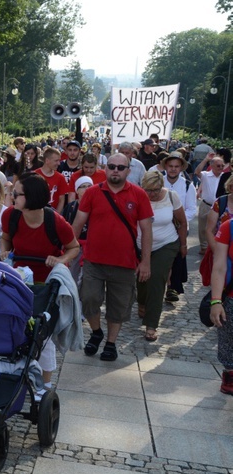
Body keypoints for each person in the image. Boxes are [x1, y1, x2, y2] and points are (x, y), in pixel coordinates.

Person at [0, 172, 80, 391]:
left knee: (42, 336)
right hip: (18, 281)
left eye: (16, 193)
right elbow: (6, 238)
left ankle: (44, 384)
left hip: (45, 286)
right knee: (13, 327)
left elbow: (74, 248)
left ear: (32, 197)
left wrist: (59, 260)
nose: (11, 196)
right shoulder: (10, 215)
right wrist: (5, 253)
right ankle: (13, 371)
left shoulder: (55, 221)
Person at [71, 154, 153, 361]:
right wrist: (68, 253)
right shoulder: (91, 193)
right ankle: (96, 332)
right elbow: (78, 224)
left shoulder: (139, 195)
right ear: (105, 169)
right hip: (93, 260)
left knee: (118, 306)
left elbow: (147, 230)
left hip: (124, 263)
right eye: (111, 166)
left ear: (128, 171)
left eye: (120, 167)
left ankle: (111, 343)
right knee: (88, 299)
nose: (115, 170)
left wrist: (145, 261)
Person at [136, 170, 186, 342]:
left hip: (166, 244)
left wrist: (184, 244)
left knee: (156, 279)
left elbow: (182, 221)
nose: (152, 194)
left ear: (161, 187)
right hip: (140, 245)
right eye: (148, 190)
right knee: (141, 280)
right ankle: (141, 301)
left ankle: (151, 325)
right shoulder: (137, 196)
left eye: (155, 190)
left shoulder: (172, 197)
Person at [161, 151, 197, 303]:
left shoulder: (188, 186)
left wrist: (179, 220)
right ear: (166, 167)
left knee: (176, 257)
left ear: (181, 168)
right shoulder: (158, 182)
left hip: (179, 227)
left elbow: (191, 208)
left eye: (176, 166)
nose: (173, 169)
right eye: (170, 166)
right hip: (161, 226)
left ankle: (171, 287)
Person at [209, 218, 233, 395]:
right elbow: (219, 267)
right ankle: (230, 375)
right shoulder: (228, 227)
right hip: (231, 297)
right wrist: (216, 301)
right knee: (227, 339)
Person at [196, 153, 225, 255]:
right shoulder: (205, 175)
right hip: (206, 204)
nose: (220, 168)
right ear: (212, 165)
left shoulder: (224, 177)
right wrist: (205, 159)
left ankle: (214, 246)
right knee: (203, 227)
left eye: (222, 166)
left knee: (217, 227)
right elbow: (197, 171)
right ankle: (203, 246)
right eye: (218, 165)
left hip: (219, 206)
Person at [35, 147, 68, 214]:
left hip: (53, 215)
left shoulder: (60, 177)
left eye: (59, 161)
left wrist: (56, 216)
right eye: (56, 161)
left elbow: (61, 199)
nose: (59, 163)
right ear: (47, 160)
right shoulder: (34, 175)